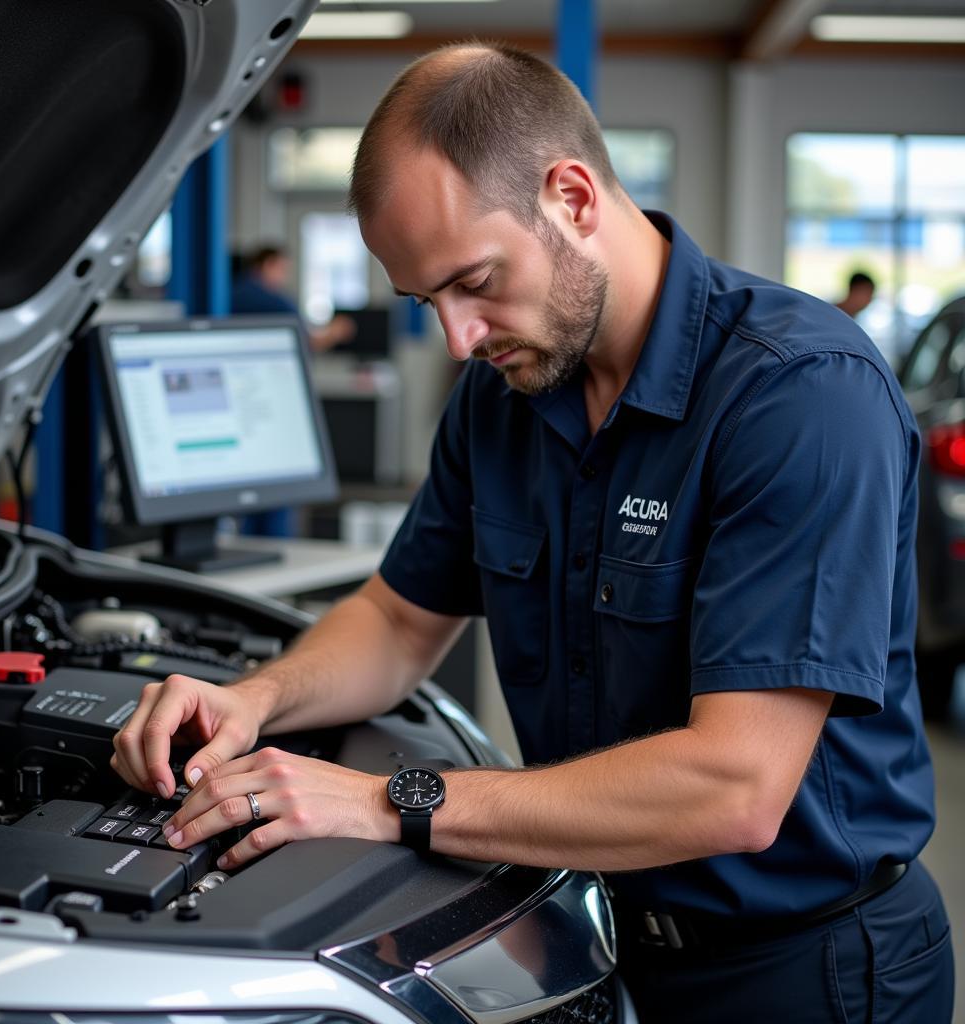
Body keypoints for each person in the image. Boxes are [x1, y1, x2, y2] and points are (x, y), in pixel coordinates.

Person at [112, 44, 953, 1022]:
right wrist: (253, 700)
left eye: (474, 281)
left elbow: (734, 786)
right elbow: (396, 618)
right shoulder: (502, 398)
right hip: (599, 930)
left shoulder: (798, 397)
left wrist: (390, 802)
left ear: (572, 197)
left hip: (804, 972)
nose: (459, 338)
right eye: (429, 301)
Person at [231, 243, 356, 350]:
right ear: (268, 264)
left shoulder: (235, 291)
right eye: (283, 270)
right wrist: (335, 332)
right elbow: (307, 342)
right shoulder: (273, 302)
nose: (284, 277)